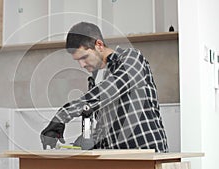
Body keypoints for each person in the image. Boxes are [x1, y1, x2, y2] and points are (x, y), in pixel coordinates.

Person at [40, 22, 168, 152]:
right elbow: (105, 126)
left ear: (99, 45)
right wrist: (86, 141)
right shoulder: (94, 80)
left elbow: (109, 90)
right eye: (77, 60)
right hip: (116, 157)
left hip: (146, 153)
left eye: (84, 57)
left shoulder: (131, 58)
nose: (82, 65)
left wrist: (62, 115)